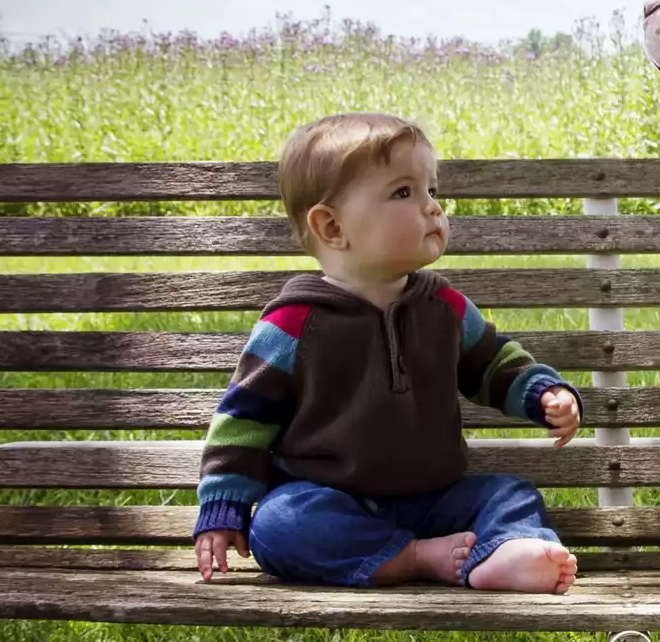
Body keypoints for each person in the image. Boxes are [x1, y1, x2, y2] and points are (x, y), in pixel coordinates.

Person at [191, 112, 583, 594]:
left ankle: (507, 552)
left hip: (436, 500)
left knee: (509, 494)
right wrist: (224, 504)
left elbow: (493, 362)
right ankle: (417, 558)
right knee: (278, 523)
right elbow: (244, 417)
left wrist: (542, 393)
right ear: (332, 226)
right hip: (331, 499)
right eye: (404, 193)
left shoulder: (445, 308)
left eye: (432, 191)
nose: (432, 208)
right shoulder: (293, 324)